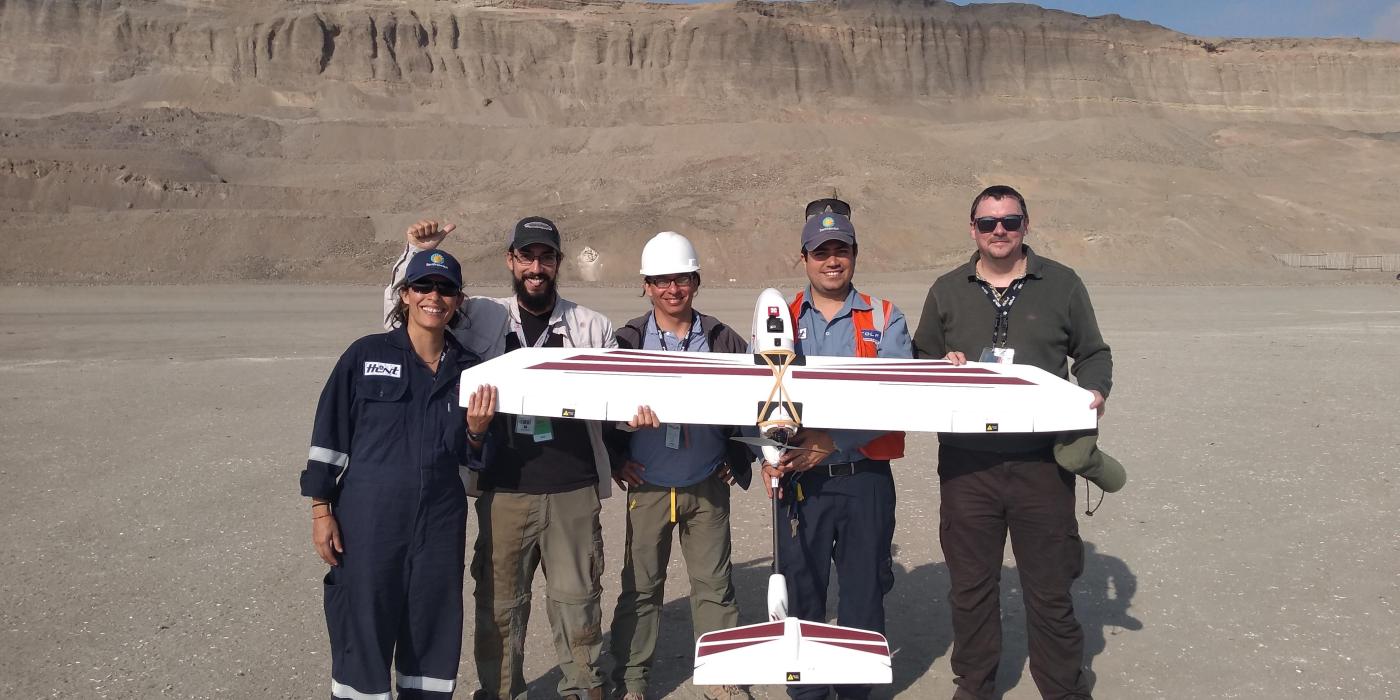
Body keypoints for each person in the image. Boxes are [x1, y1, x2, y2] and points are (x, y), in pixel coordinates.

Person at [386, 217, 617, 700]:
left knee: (578, 602)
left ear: (558, 263)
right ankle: (499, 692)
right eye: (527, 257)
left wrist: (636, 419)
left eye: (546, 257)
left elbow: (619, 395)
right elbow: (405, 319)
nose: (536, 267)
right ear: (511, 261)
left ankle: (585, 687)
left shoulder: (592, 326)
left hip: (573, 491)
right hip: (502, 490)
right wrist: (413, 256)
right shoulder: (482, 316)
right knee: (500, 606)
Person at [912, 185, 1113, 700]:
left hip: (1042, 465)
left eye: (1009, 221)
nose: (998, 230)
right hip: (967, 468)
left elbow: (1092, 352)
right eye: (987, 223)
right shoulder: (947, 288)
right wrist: (940, 367)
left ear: (1026, 224)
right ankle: (975, 687)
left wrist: (1095, 389)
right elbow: (919, 359)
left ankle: (1063, 689)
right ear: (972, 229)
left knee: (1049, 591)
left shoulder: (1062, 284)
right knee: (971, 590)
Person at [303, 249, 498, 699]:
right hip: (369, 523)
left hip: (439, 525)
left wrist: (476, 432)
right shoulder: (366, 355)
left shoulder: (470, 371)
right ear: (406, 294)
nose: (435, 296)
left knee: (432, 633)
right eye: (424, 286)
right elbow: (329, 436)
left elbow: (477, 459)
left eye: (446, 289)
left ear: (458, 300)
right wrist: (320, 511)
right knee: (363, 634)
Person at [761, 212, 912, 700]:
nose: (832, 261)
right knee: (801, 590)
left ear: (853, 255)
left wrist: (833, 440)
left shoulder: (886, 317)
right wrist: (764, 455)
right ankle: (806, 689)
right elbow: (755, 393)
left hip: (862, 476)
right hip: (799, 484)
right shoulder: (778, 317)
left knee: (864, 592)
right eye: (821, 252)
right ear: (804, 258)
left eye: (840, 250)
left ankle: (854, 691)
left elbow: (896, 397)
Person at [605, 231, 755, 700]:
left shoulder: (721, 338)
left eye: (682, 279)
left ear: (696, 281)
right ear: (647, 286)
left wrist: (739, 454)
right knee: (641, 588)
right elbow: (605, 406)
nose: (673, 289)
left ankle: (721, 676)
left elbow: (752, 403)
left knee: (714, 585)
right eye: (662, 281)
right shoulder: (626, 341)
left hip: (706, 482)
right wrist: (616, 457)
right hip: (648, 485)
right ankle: (632, 681)